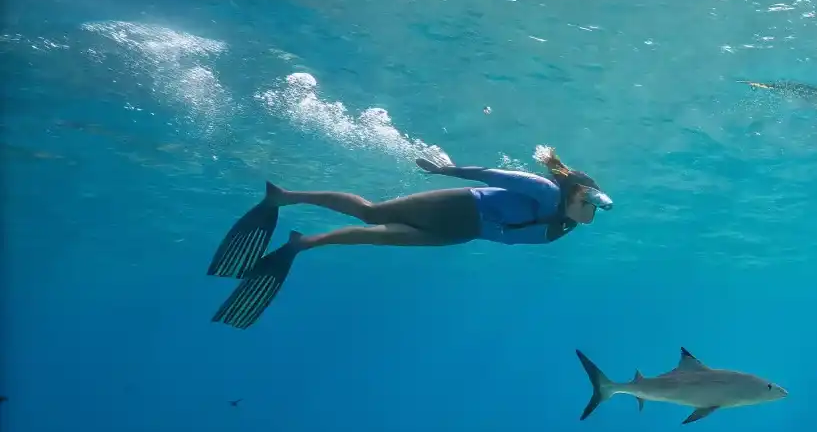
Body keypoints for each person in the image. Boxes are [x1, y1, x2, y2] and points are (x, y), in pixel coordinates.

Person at [206, 146, 612, 328]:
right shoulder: (545, 193)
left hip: (463, 232)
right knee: (371, 214)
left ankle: (301, 244)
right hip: (456, 206)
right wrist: (446, 172)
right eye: (589, 202)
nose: (592, 211)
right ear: (573, 193)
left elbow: (509, 237)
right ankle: (285, 197)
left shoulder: (562, 228)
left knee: (378, 237)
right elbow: (496, 176)